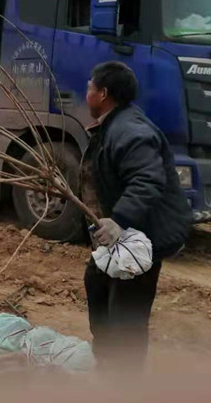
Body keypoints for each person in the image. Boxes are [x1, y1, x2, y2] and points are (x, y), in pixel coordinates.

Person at [82, 61, 191, 372]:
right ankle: (106, 361)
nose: (85, 92)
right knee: (97, 282)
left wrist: (118, 219)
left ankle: (125, 383)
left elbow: (147, 179)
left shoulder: (130, 130)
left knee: (127, 311)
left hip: (142, 237)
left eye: (89, 87)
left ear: (103, 94)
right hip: (125, 232)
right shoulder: (114, 124)